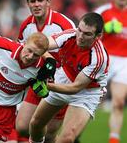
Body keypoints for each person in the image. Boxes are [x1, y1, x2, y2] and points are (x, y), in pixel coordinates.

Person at [29, 12, 109, 143]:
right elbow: (42, 44)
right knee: (36, 124)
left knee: (67, 138)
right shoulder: (69, 35)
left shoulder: (98, 58)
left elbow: (75, 88)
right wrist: (47, 57)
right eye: (80, 30)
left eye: (87, 34)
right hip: (63, 77)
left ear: (98, 36)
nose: (80, 37)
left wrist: (46, 85)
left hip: (86, 93)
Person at [15, 0, 77, 143]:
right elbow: (22, 55)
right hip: (38, 81)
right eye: (33, 1)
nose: (36, 4)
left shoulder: (63, 24)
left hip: (59, 84)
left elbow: (76, 53)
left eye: (40, 0)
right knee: (22, 126)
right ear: (28, 3)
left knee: (49, 134)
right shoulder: (26, 26)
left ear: (48, 2)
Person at [95, 0, 127, 143]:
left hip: (124, 61)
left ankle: (114, 139)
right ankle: (73, 135)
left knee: (119, 102)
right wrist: (105, 29)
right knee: (88, 98)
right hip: (105, 58)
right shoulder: (103, 11)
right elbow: (87, 31)